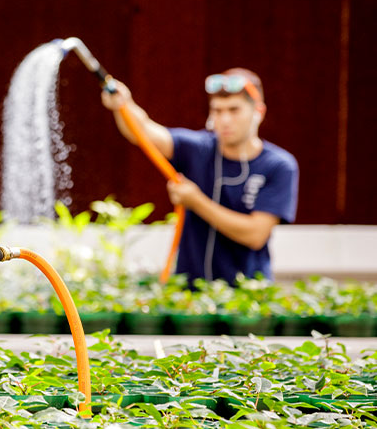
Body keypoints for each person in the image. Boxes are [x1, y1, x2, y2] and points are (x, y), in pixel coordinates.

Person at [101, 68, 298, 285]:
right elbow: (144, 132)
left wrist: (196, 201)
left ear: (258, 112)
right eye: (218, 111)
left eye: (234, 110)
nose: (224, 120)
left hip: (248, 298)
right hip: (191, 295)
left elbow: (255, 235)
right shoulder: (199, 149)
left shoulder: (278, 166)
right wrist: (123, 105)